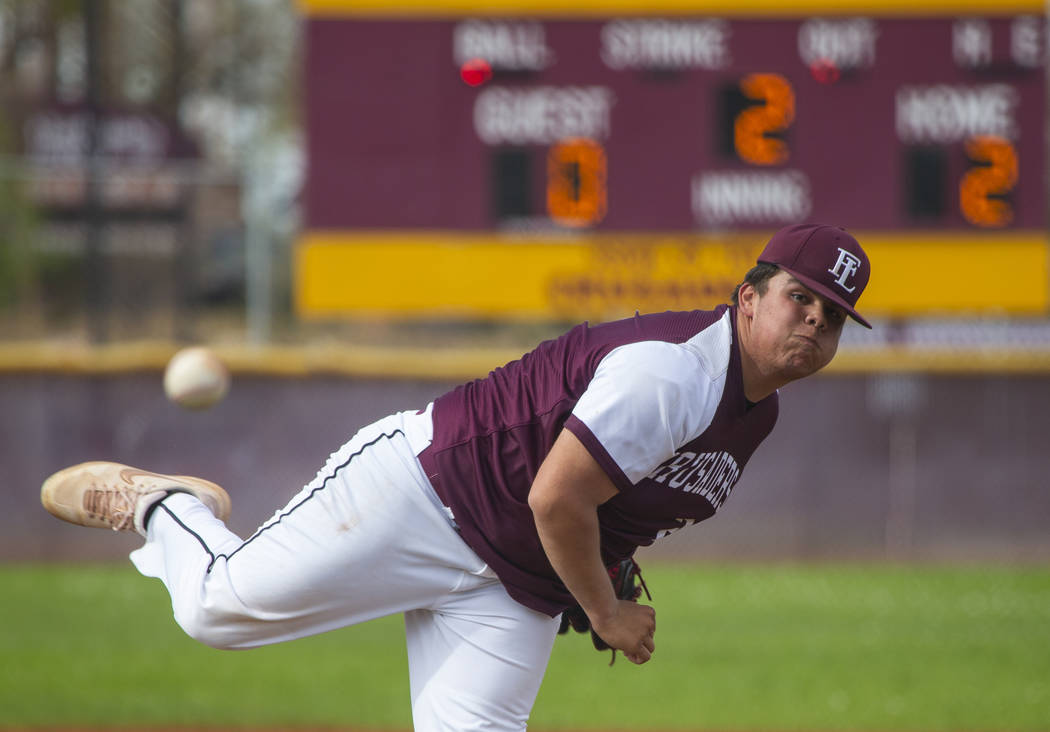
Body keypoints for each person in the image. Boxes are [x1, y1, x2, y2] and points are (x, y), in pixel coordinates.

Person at [42, 223, 871, 731]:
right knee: (215, 609)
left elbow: (611, 502)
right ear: (749, 295)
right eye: (801, 297)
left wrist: (605, 562)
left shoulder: (755, 411)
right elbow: (558, 495)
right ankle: (166, 504)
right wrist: (606, 609)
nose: (814, 322)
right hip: (426, 495)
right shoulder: (674, 372)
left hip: (512, 580)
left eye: (833, 317)